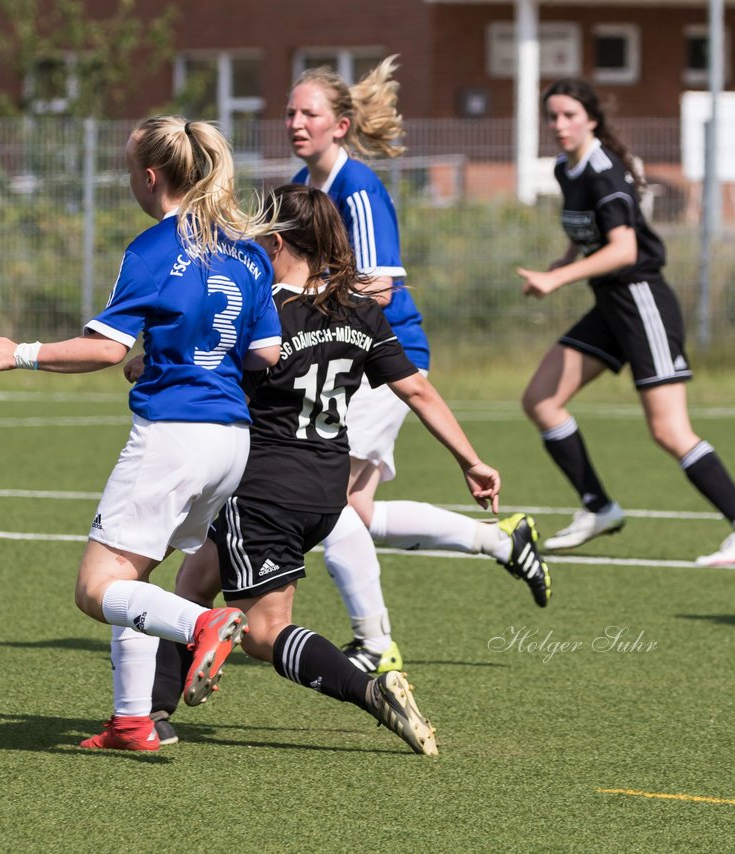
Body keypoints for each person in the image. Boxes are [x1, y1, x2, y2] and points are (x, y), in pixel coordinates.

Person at [144, 184, 533, 754]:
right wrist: (471, 461)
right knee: (196, 577)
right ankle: (154, 712)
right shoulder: (360, 310)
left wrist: (147, 367)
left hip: (263, 489)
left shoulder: (264, 310)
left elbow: (211, 369)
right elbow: (418, 390)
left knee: (263, 633)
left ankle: (370, 690)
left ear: (276, 242)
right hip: (326, 490)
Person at [0, 115, 282, 751]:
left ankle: (203, 625)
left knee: (98, 588)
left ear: (150, 178)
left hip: (175, 435)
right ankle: (131, 721)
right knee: (133, 577)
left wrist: (21, 353)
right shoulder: (249, 252)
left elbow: (104, 350)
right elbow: (266, 353)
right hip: (231, 441)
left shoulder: (153, 249)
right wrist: (178, 353)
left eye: (128, 172)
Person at [286, 57, 551, 676]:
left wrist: (308, 310)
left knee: (334, 508)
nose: (296, 122)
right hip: (348, 356)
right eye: (291, 112)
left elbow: (377, 288)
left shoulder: (358, 190)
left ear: (341, 125)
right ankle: (499, 540)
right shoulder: (309, 182)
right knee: (356, 513)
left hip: (382, 358)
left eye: (309, 113)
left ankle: (376, 646)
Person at [516, 78, 735, 566]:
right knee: (541, 400)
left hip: (642, 303)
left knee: (669, 430)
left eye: (569, 115)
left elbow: (625, 249)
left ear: (591, 119)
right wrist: (563, 260)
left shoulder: (602, 170)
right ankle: (598, 507)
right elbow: (586, 231)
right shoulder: (564, 168)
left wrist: (560, 280)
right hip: (610, 307)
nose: (558, 125)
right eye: (552, 116)